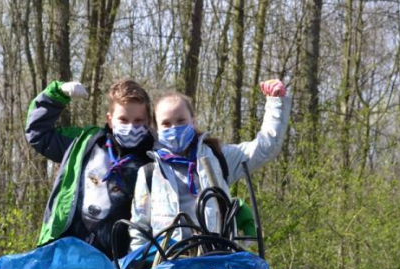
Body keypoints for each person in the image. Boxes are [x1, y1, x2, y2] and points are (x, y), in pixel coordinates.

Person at [129, 79, 290, 251]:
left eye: (181, 120)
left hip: (215, 262)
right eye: (166, 124)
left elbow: (265, 148)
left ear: (193, 120)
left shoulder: (217, 158)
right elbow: (139, 229)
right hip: (168, 266)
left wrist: (276, 103)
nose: (174, 128)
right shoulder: (149, 173)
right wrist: (138, 268)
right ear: (156, 128)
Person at [25, 79, 154, 259]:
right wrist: (57, 94)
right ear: (110, 120)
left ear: (148, 121)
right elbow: (39, 133)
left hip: (121, 264)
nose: (131, 127)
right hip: (67, 252)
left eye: (138, 121)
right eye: (123, 120)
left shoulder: (154, 160)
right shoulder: (84, 143)